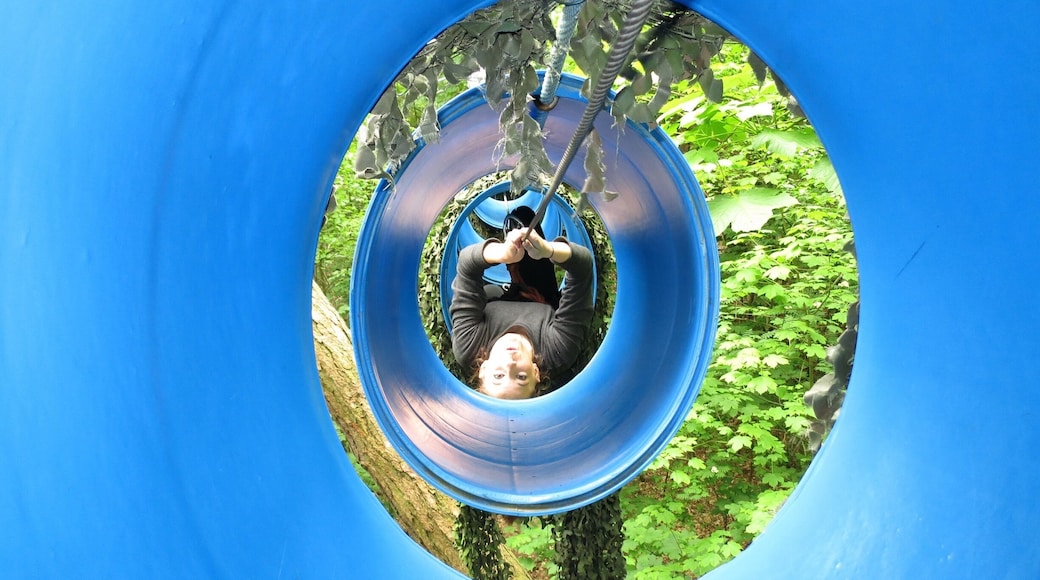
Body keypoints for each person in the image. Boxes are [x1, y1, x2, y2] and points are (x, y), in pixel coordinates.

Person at [450, 208, 594, 400]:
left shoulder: (469, 347)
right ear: (536, 373)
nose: (510, 364)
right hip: (539, 298)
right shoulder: (558, 352)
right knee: (524, 219)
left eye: (498, 376)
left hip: (492, 303)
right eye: (521, 377)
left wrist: (502, 254)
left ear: (483, 369)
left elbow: (467, 264)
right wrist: (548, 250)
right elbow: (583, 268)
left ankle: (507, 276)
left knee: (490, 288)